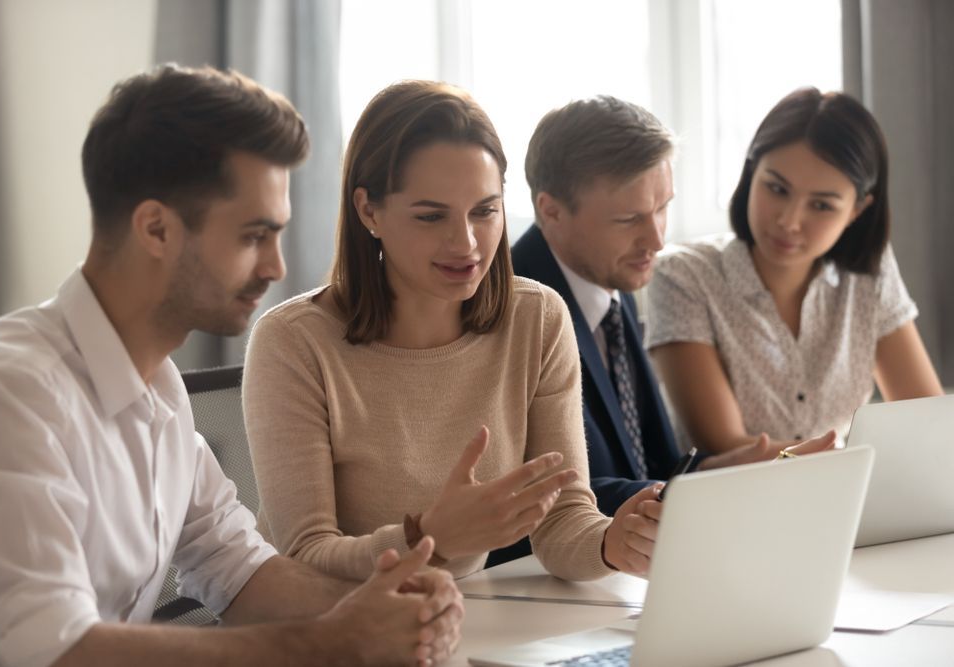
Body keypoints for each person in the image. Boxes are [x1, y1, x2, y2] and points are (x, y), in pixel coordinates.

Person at [0, 64, 462, 667]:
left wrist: (388, 607)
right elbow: (56, 650)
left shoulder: (159, 387)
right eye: (254, 235)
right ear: (156, 229)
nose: (277, 267)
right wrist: (330, 640)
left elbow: (240, 569)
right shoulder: (7, 394)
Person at [243, 80, 666, 584]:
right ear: (368, 210)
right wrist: (431, 538)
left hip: (461, 622)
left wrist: (611, 542)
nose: (466, 243)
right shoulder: (294, 342)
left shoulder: (537, 318)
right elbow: (304, 557)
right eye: (430, 215)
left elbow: (562, 521)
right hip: (335, 633)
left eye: (485, 211)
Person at [509, 95, 834, 525]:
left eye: (663, 208)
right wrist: (705, 490)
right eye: (628, 219)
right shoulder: (514, 312)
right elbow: (546, 492)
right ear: (551, 211)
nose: (657, 240)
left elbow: (648, 471)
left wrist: (724, 472)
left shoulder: (609, 280)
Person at [645, 88, 943, 455]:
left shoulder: (870, 275)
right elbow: (727, 448)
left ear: (857, 211)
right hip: (732, 502)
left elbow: (926, 423)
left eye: (821, 205)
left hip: (844, 497)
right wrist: (849, 462)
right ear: (751, 172)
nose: (789, 221)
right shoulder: (684, 276)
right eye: (776, 188)